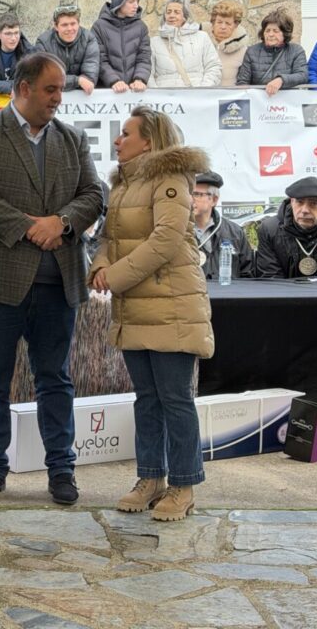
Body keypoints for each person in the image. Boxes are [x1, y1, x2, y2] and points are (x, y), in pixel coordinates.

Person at [0, 52, 103, 505]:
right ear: (22, 89)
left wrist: (61, 222)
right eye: (51, 89)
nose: (59, 97)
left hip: (58, 280)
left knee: (54, 378)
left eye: (61, 89)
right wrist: (30, 227)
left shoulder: (72, 140)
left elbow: (94, 194)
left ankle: (61, 469)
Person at [89, 106, 213, 522]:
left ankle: (183, 485)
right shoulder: (124, 184)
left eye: (126, 134)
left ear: (149, 140)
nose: (117, 141)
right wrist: (99, 267)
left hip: (172, 305)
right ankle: (150, 479)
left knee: (175, 399)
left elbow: (165, 239)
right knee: (147, 400)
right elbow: (109, 236)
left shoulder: (171, 178)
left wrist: (115, 276)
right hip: (135, 307)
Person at [255, 177, 317, 278]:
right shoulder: (269, 229)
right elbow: (271, 279)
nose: (305, 210)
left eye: (313, 203)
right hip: (285, 293)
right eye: (299, 202)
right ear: (292, 202)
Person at [191, 171, 254, 281]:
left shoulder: (235, 232)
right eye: (188, 194)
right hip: (191, 296)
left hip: (229, 296)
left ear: (214, 200)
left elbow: (248, 274)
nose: (191, 199)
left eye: (197, 194)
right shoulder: (176, 231)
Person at [148, 0, 222, 87]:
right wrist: (158, 95)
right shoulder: (154, 42)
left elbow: (213, 66)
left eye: (177, 12)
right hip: (166, 99)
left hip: (197, 97)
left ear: (185, 16)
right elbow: (148, 73)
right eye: (168, 12)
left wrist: (204, 90)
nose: (172, 15)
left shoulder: (202, 37)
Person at [92, 0, 151, 92]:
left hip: (135, 91)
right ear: (119, 2)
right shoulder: (99, 27)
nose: (136, 5)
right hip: (107, 91)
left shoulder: (141, 27)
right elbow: (99, 59)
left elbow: (144, 57)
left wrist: (139, 79)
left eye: (137, 1)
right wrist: (114, 81)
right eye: (131, 2)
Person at [236, 8, 309, 95]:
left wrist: (281, 80)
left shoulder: (296, 51)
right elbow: (243, 81)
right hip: (259, 104)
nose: (270, 34)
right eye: (267, 31)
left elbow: (302, 75)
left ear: (285, 33)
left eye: (275, 31)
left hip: (287, 104)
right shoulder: (252, 51)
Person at [34, 5, 100, 95]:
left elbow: (89, 78)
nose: (70, 29)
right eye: (64, 25)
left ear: (79, 24)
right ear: (56, 26)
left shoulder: (89, 39)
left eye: (73, 24)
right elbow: (44, 78)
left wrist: (81, 81)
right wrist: (77, 81)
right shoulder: (43, 42)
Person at [208, 0, 251, 86]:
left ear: (235, 25)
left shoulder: (243, 51)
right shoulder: (202, 43)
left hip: (229, 97)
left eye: (228, 23)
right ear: (213, 23)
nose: (223, 27)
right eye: (219, 22)